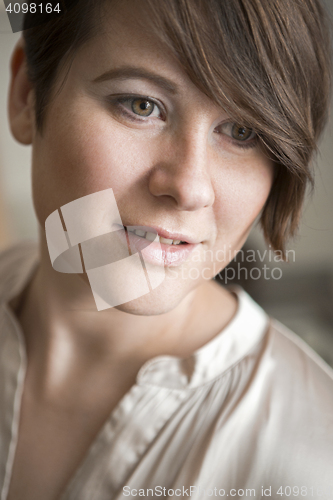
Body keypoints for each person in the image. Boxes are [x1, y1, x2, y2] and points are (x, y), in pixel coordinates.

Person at [0, 0, 332, 499]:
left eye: (243, 132)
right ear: (27, 96)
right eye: (141, 105)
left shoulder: (309, 462)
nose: (189, 186)